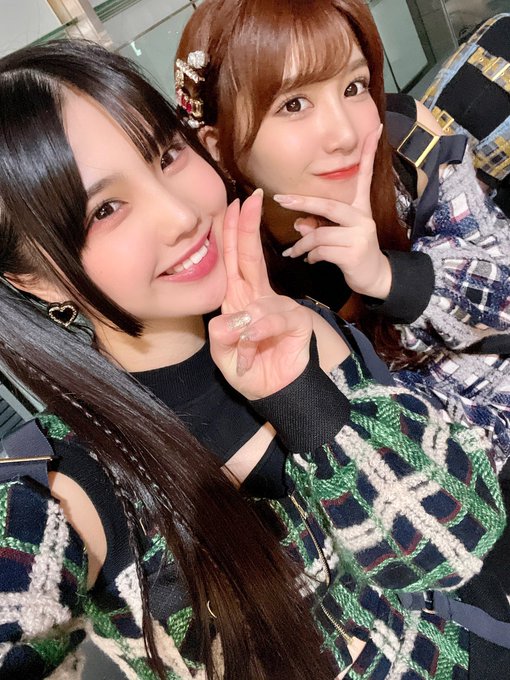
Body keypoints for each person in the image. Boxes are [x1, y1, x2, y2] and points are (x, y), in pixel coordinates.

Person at [0, 39, 505, 680]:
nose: (182, 214)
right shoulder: (64, 487)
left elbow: (461, 544)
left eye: (167, 155)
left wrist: (303, 399)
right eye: (105, 209)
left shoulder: (298, 322)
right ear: (36, 280)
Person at [175, 0, 510, 474]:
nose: (346, 134)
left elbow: (503, 281)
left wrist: (391, 277)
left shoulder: (407, 146)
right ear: (218, 146)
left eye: (354, 87)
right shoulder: (218, 279)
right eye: (293, 104)